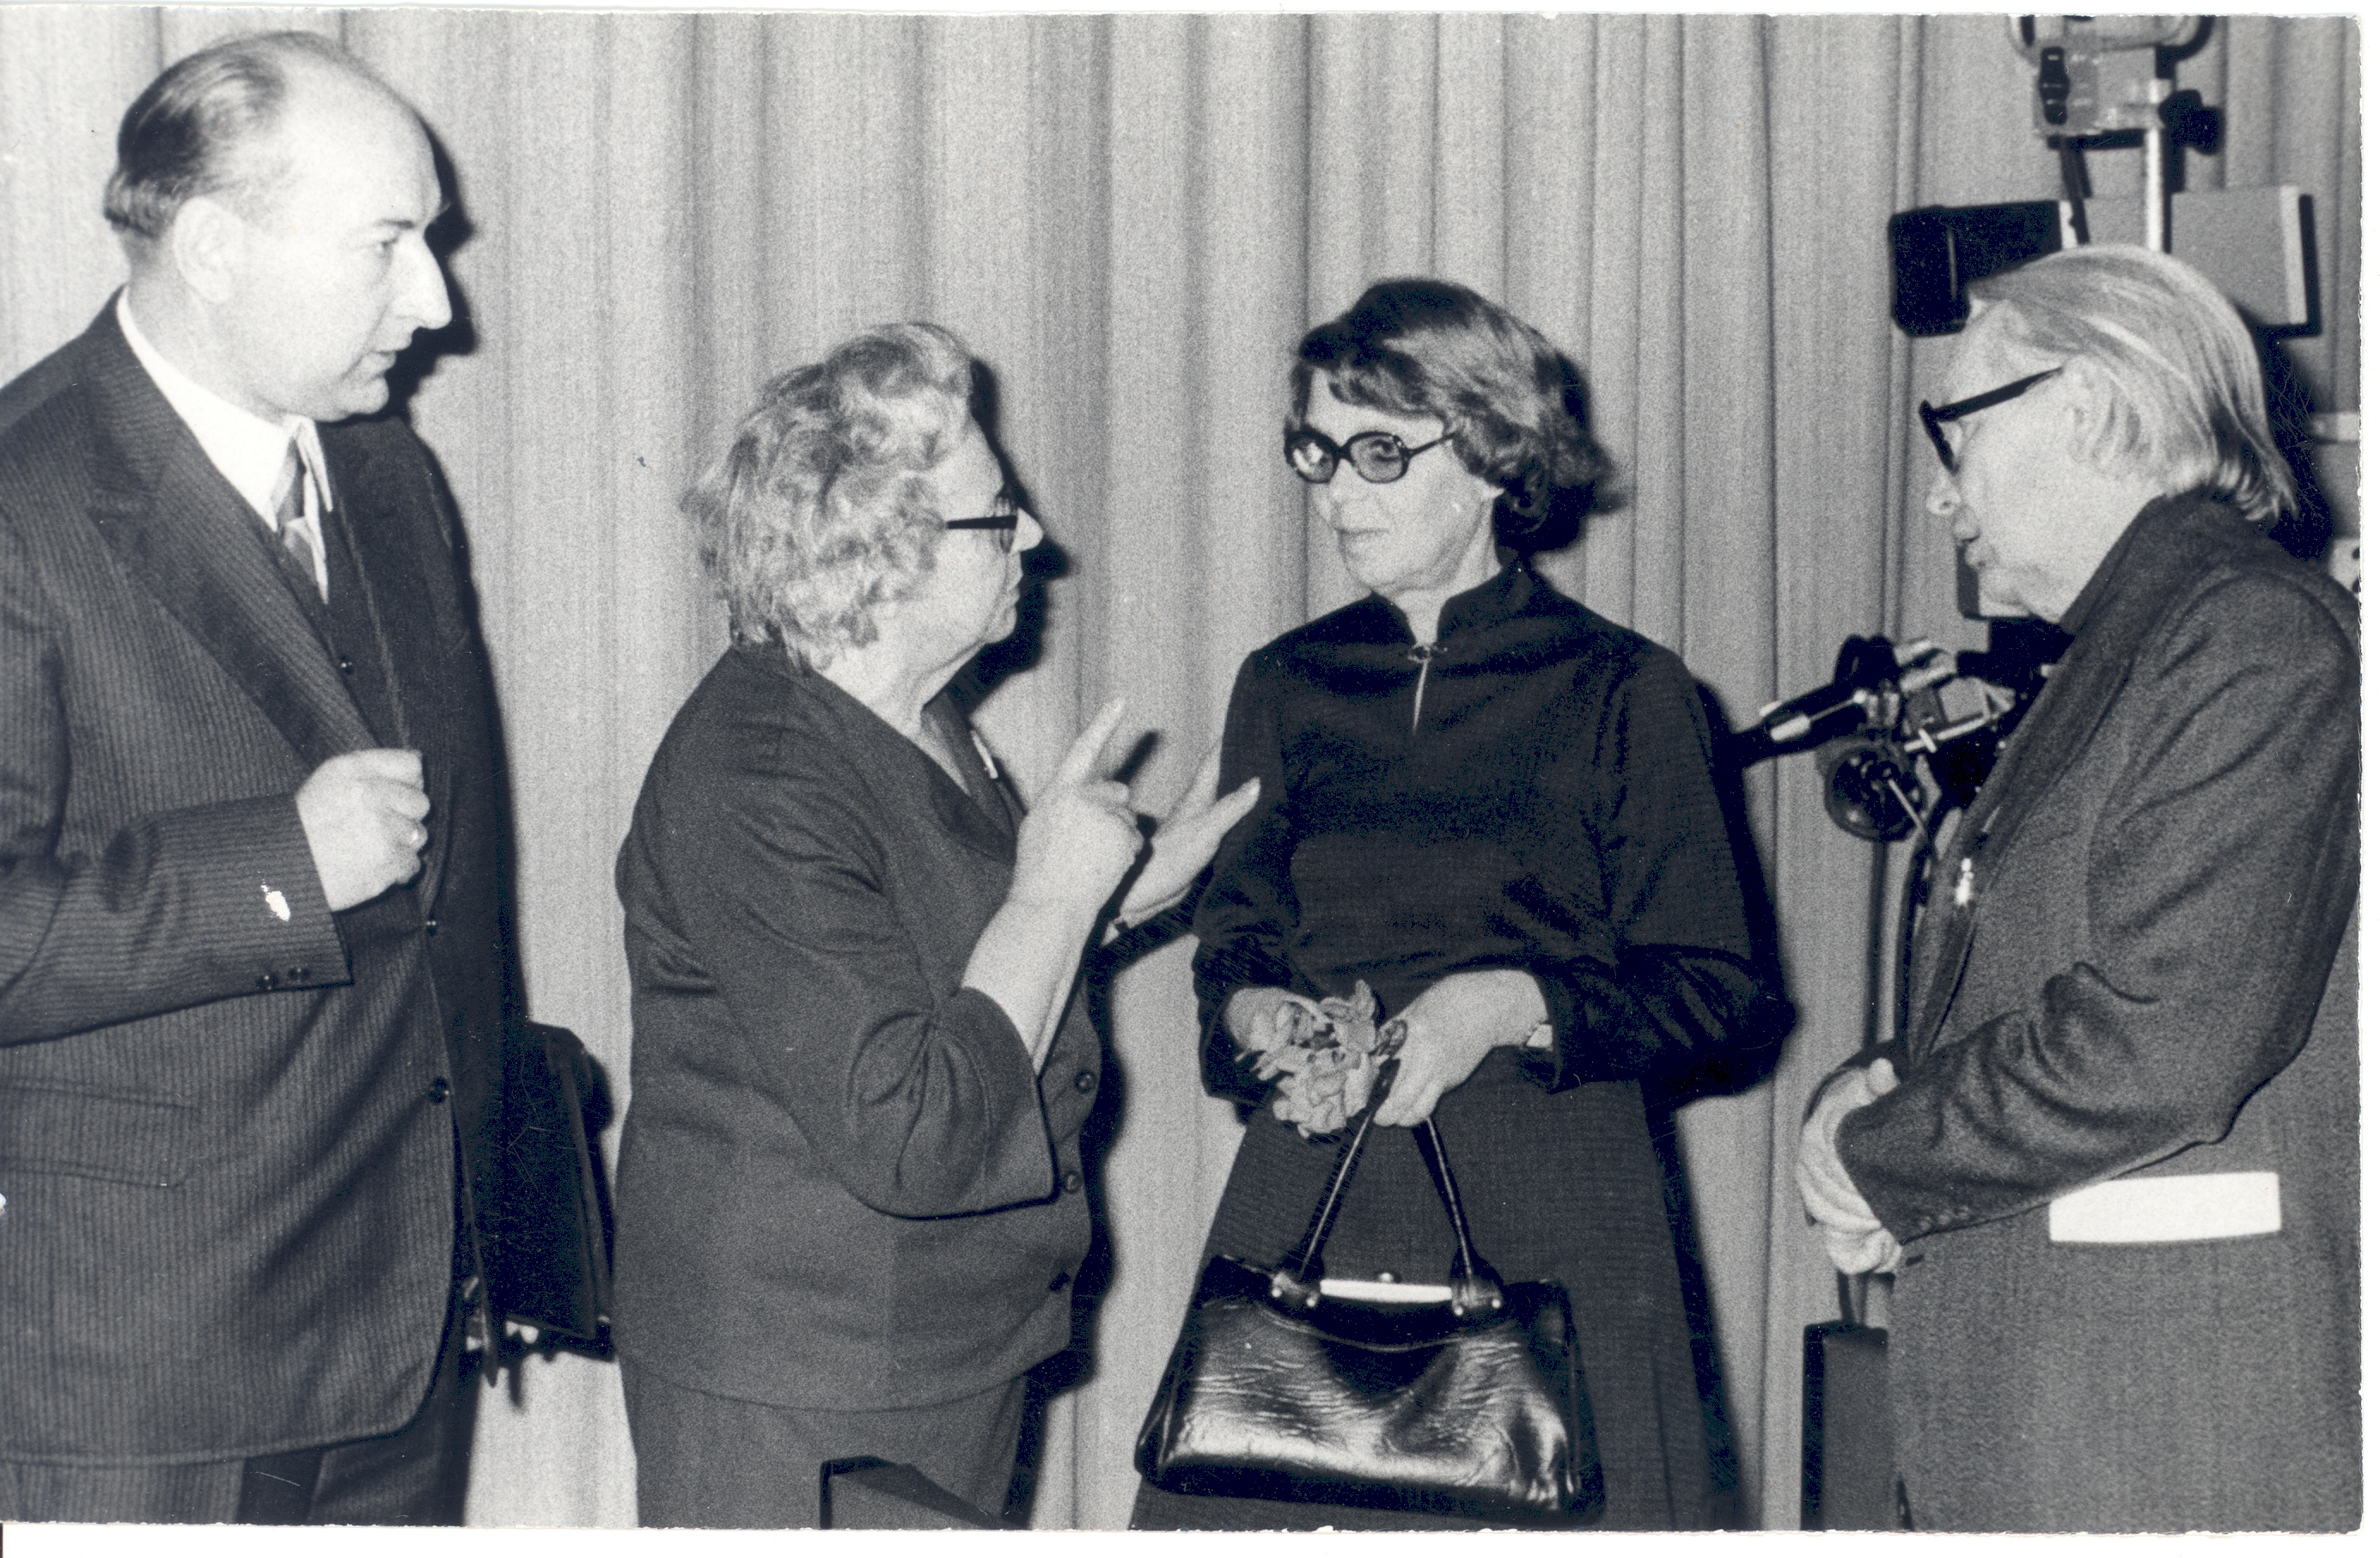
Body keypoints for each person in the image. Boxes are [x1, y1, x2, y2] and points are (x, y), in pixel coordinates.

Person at [0, 32, 578, 1524]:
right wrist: (278, 868)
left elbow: (460, 907)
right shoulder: (23, 499)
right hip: (139, 1378)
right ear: (209, 244)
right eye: (389, 244)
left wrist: (487, 1231)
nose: (437, 301)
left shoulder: (387, 476)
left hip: (395, 1346)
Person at [1132, 278, 1795, 1531]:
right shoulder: (1283, 683)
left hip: (1551, 1210)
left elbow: (1719, 993)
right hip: (1313, 1193)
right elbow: (1235, 943)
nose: (1336, 492)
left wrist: (1511, 1002)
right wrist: (1259, 1017)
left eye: (1380, 451)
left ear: (1493, 453)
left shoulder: (1626, 689)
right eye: (1317, 450)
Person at [610, 321, 1258, 1529]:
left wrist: (1110, 906)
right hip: (805, 1373)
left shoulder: (914, 716)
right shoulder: (755, 777)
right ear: (883, 543)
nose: (1039, 544)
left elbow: (931, 967)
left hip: (936, 1338)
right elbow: (907, 1122)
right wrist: (1052, 894)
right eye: (998, 516)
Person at [1797, 246, 2359, 1532]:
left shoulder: (2250, 636)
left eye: (1955, 436)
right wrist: (1883, 1078)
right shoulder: (2146, 643)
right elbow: (2062, 972)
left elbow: (2166, 1035)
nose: (1941, 499)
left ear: (2090, 408)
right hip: (2079, 1415)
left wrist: (1875, 1157)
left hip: (2165, 1432)